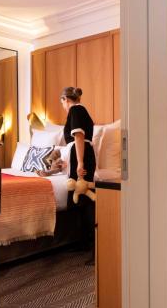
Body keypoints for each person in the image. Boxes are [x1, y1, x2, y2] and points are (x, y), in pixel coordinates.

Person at [60, 87, 96, 265]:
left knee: (86, 201)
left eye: (62, 103)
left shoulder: (75, 109)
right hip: (80, 155)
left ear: (66, 99)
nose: (63, 107)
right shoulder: (81, 110)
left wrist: (80, 162)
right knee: (81, 201)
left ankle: (96, 250)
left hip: (82, 156)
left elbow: (79, 136)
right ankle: (84, 243)